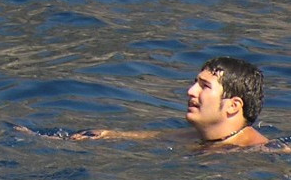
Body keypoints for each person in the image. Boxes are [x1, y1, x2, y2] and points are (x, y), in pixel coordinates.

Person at [74, 56, 270, 148]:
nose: (191, 91)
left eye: (205, 86)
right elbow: (149, 137)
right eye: (195, 83)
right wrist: (107, 135)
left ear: (233, 106)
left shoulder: (260, 152)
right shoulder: (191, 137)